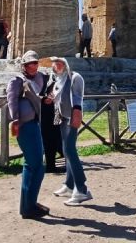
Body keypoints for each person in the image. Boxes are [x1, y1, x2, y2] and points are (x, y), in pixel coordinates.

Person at [6, 50, 52, 219]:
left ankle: (29, 203)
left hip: (34, 123)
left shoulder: (41, 78)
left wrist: (49, 97)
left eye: (35, 63)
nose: (33, 66)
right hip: (24, 126)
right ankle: (28, 207)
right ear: (24, 65)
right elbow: (11, 100)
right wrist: (15, 120)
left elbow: (44, 93)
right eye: (30, 63)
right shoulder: (17, 80)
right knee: (34, 165)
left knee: (37, 165)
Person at [48, 57, 92, 205]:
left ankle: (82, 189)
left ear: (66, 64)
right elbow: (59, 97)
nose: (58, 66)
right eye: (55, 64)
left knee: (70, 150)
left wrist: (77, 114)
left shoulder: (75, 77)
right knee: (66, 151)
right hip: (63, 118)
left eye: (60, 63)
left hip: (72, 118)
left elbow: (78, 97)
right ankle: (69, 185)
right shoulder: (58, 79)